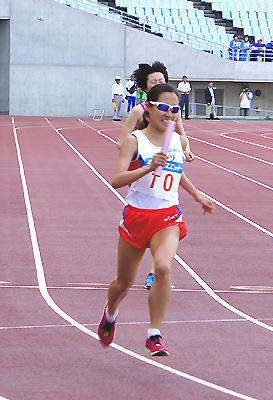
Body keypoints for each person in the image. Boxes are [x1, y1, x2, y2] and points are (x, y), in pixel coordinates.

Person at [97, 83, 215, 356]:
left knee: (163, 268)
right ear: (148, 109)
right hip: (137, 217)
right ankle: (111, 312)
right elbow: (116, 180)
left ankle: (154, 333)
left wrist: (197, 196)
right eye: (163, 107)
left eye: (175, 109)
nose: (169, 113)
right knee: (123, 283)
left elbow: (176, 172)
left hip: (167, 216)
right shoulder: (134, 141)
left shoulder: (177, 140)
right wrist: (148, 167)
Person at [116, 62, 196, 290]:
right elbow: (122, 142)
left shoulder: (172, 109)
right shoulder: (138, 112)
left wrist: (186, 150)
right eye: (154, 81)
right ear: (145, 87)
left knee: (167, 221)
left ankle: (154, 272)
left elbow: (181, 134)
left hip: (166, 166)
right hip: (144, 167)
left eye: (162, 80)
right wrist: (143, 142)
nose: (159, 84)